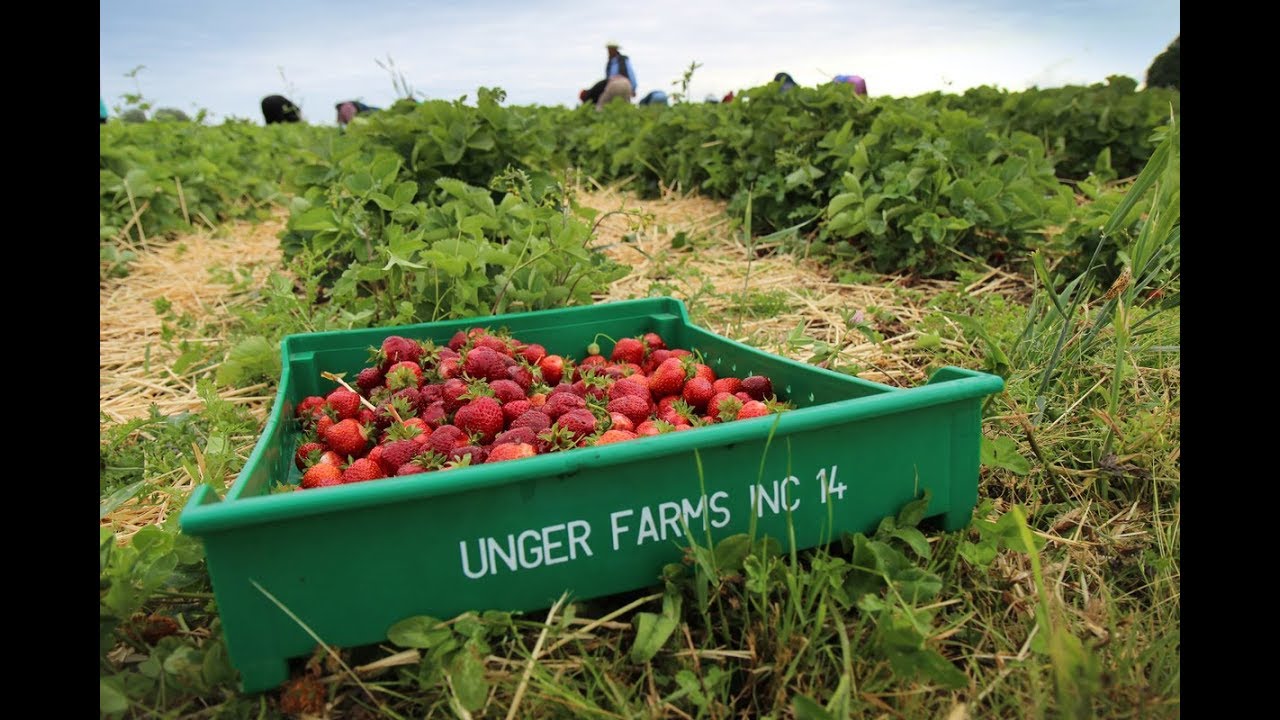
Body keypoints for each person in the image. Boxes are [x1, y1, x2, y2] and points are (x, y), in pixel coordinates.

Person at [597, 42, 637, 109]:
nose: (608, 52)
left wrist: (633, 88)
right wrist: (633, 88)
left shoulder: (613, 62)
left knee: (601, 106)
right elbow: (631, 75)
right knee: (625, 107)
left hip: (616, 84)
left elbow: (630, 74)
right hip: (626, 85)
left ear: (615, 50)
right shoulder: (623, 60)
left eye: (610, 50)